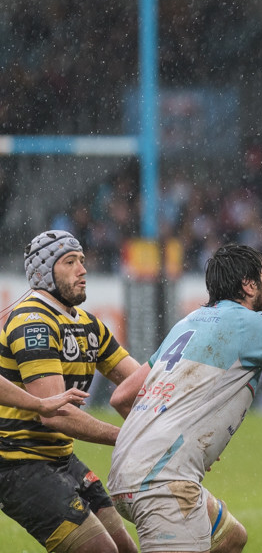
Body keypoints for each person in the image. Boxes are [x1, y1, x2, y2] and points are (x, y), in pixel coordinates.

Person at [105, 243, 262, 553]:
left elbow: (121, 396)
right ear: (248, 285)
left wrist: (166, 438)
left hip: (123, 474)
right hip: (163, 484)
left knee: (229, 537)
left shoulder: (188, 323)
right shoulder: (252, 325)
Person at [0, 230, 142, 553]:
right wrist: (130, 436)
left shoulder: (89, 324)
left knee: (125, 549)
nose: (83, 269)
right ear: (43, 273)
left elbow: (140, 383)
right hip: (18, 465)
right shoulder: (32, 323)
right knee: (100, 551)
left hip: (60, 459)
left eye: (82, 260)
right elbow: (56, 415)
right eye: (69, 262)